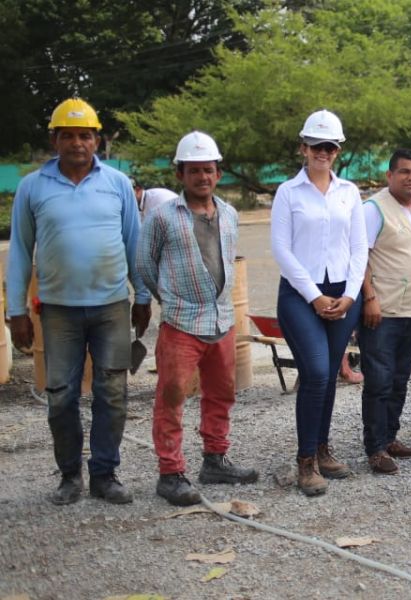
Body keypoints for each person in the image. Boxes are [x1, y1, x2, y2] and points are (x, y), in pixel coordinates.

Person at [5, 98, 151, 505]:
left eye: (84, 135)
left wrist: (142, 295)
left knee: (113, 392)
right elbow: (19, 250)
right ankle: (70, 476)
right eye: (67, 135)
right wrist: (15, 311)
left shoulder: (117, 184)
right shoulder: (33, 186)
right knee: (61, 394)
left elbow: (133, 243)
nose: (76, 143)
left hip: (111, 307)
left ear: (97, 140)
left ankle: (105, 474)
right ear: (54, 140)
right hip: (57, 311)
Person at [136, 131, 258, 506]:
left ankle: (215, 459)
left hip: (221, 319)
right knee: (171, 396)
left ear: (218, 173)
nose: (202, 177)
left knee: (221, 393)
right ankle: (170, 473)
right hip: (181, 323)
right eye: (194, 171)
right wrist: (171, 299)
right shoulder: (161, 217)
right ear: (180, 175)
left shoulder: (230, 214)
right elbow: (144, 265)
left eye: (208, 170)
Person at [271, 109, 367, 496]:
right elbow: (281, 249)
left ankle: (323, 448)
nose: (322, 152)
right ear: (303, 148)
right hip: (301, 295)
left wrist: (349, 296)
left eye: (329, 146)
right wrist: (314, 296)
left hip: (343, 294)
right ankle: (305, 461)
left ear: (337, 150)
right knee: (315, 371)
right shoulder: (288, 192)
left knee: (328, 374)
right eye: (315, 145)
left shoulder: (348, 192)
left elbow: (360, 247)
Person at [357, 149, 411, 474]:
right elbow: (357, 256)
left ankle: (390, 437)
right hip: (382, 311)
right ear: (390, 175)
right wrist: (369, 298)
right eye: (404, 172)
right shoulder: (373, 210)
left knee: (400, 379)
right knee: (379, 380)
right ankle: (374, 448)